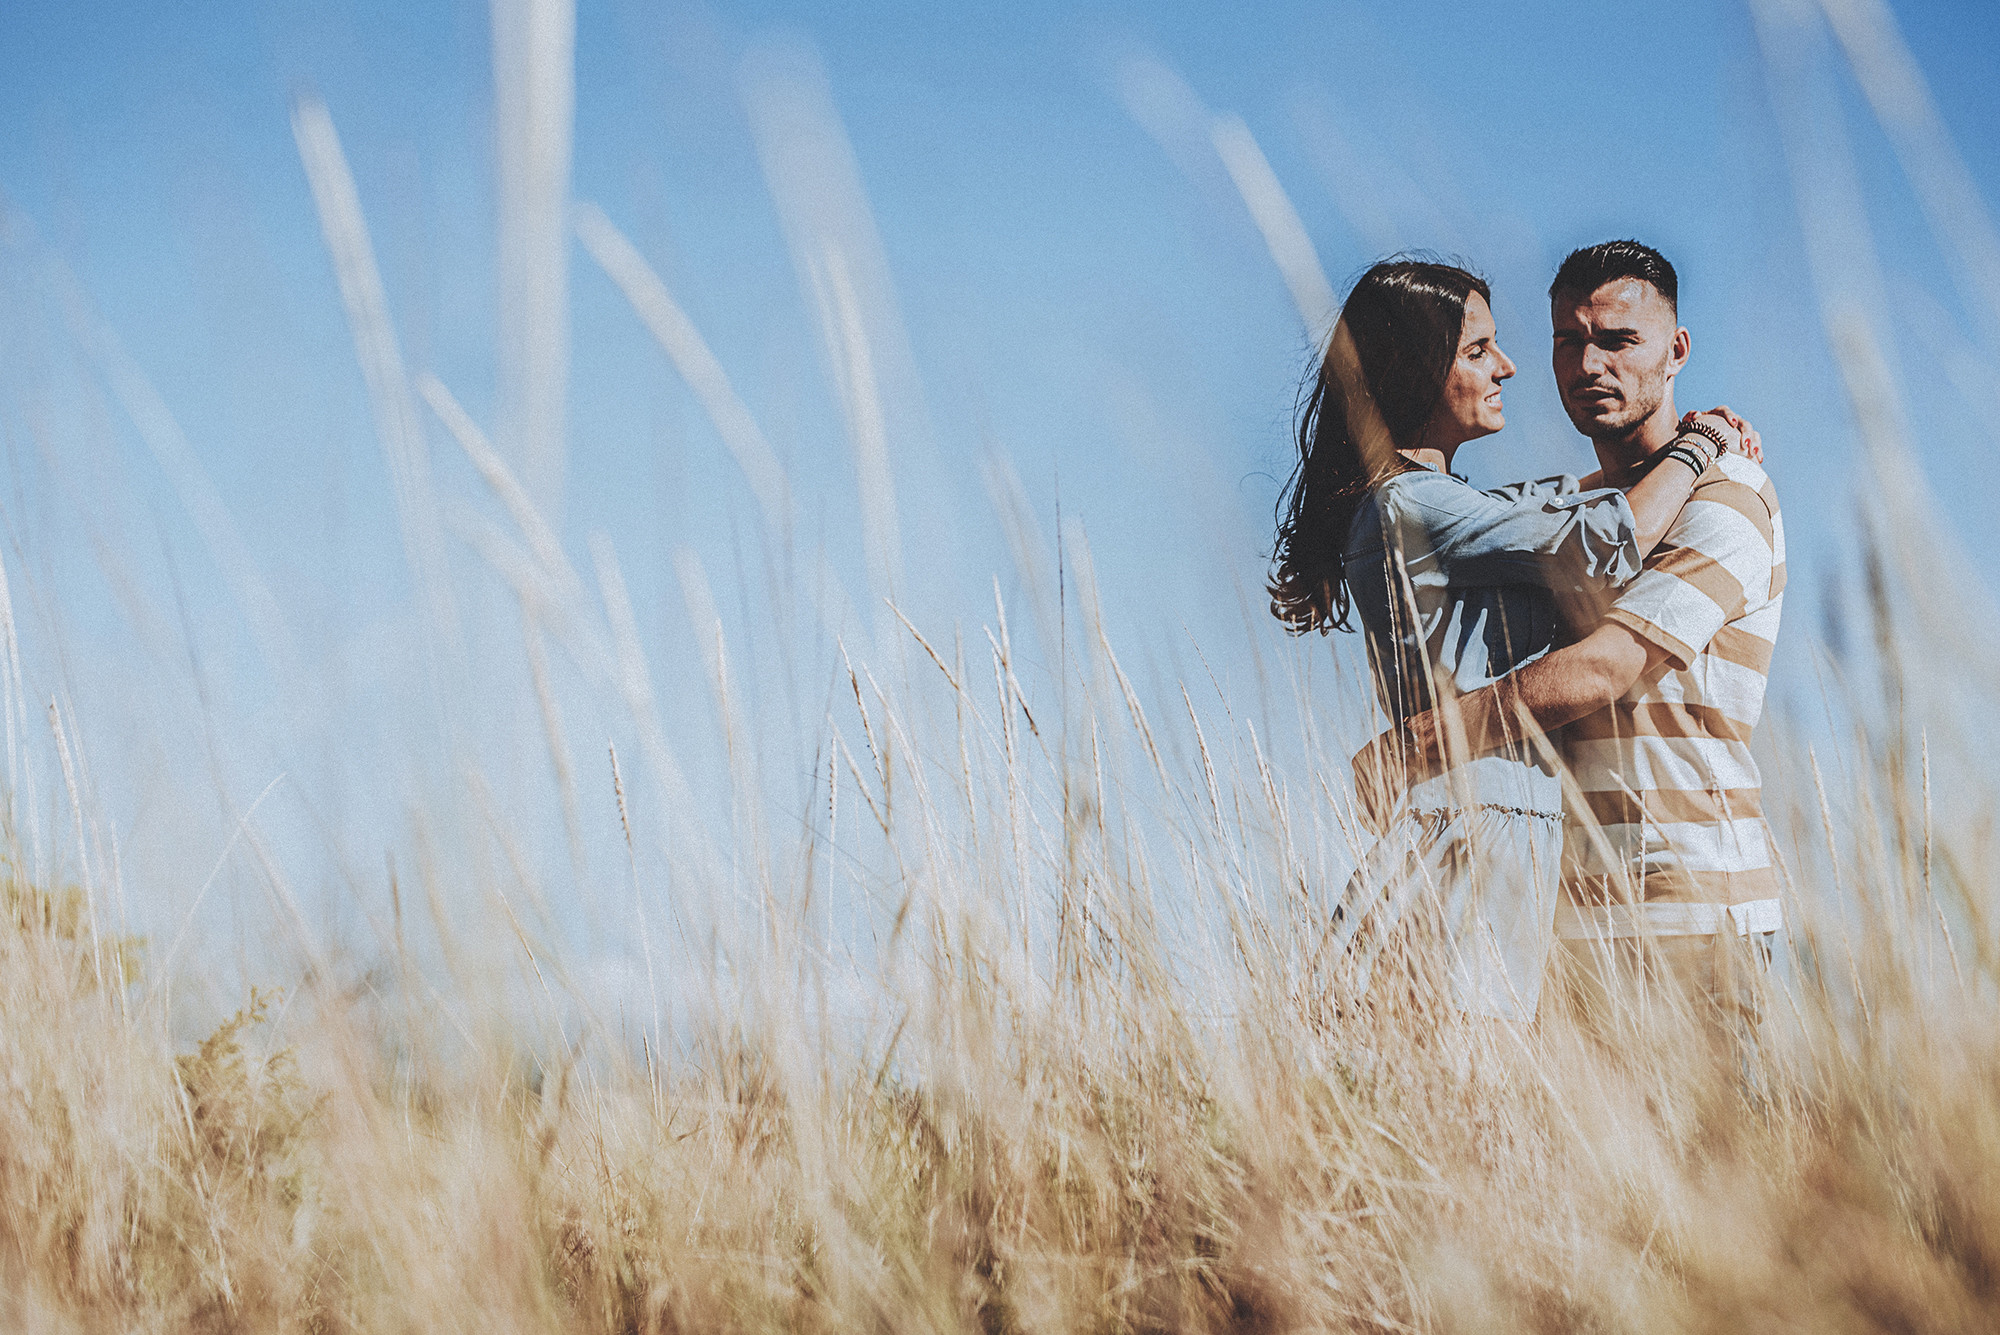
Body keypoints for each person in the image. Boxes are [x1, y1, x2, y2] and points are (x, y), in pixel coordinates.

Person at [1272, 257, 1753, 1022]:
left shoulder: (1448, 505)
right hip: (1477, 827)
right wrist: (1699, 445)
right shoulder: (1413, 505)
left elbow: (1559, 512)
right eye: (1476, 351)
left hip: (1507, 832)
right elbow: (1602, 535)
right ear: (1414, 370)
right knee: (1451, 1083)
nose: (1508, 365)